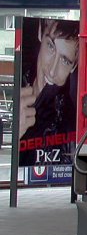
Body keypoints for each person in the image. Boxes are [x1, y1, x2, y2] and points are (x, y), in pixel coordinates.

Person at [18, 18, 79, 166]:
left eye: (65, 61)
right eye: (51, 46)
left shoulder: (68, 124)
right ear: (40, 32)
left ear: (73, 67)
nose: (52, 71)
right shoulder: (17, 79)